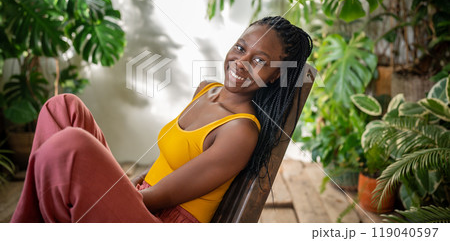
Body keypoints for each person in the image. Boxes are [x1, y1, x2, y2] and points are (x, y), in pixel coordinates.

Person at [10, 16, 313, 223]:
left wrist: (116, 189)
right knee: (63, 106)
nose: (241, 62)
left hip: (160, 222)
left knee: (71, 146)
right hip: (143, 201)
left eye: (259, 60)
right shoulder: (207, 90)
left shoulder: (240, 131)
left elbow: (157, 200)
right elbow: (162, 170)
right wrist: (127, 185)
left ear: (277, 75)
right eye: (240, 47)